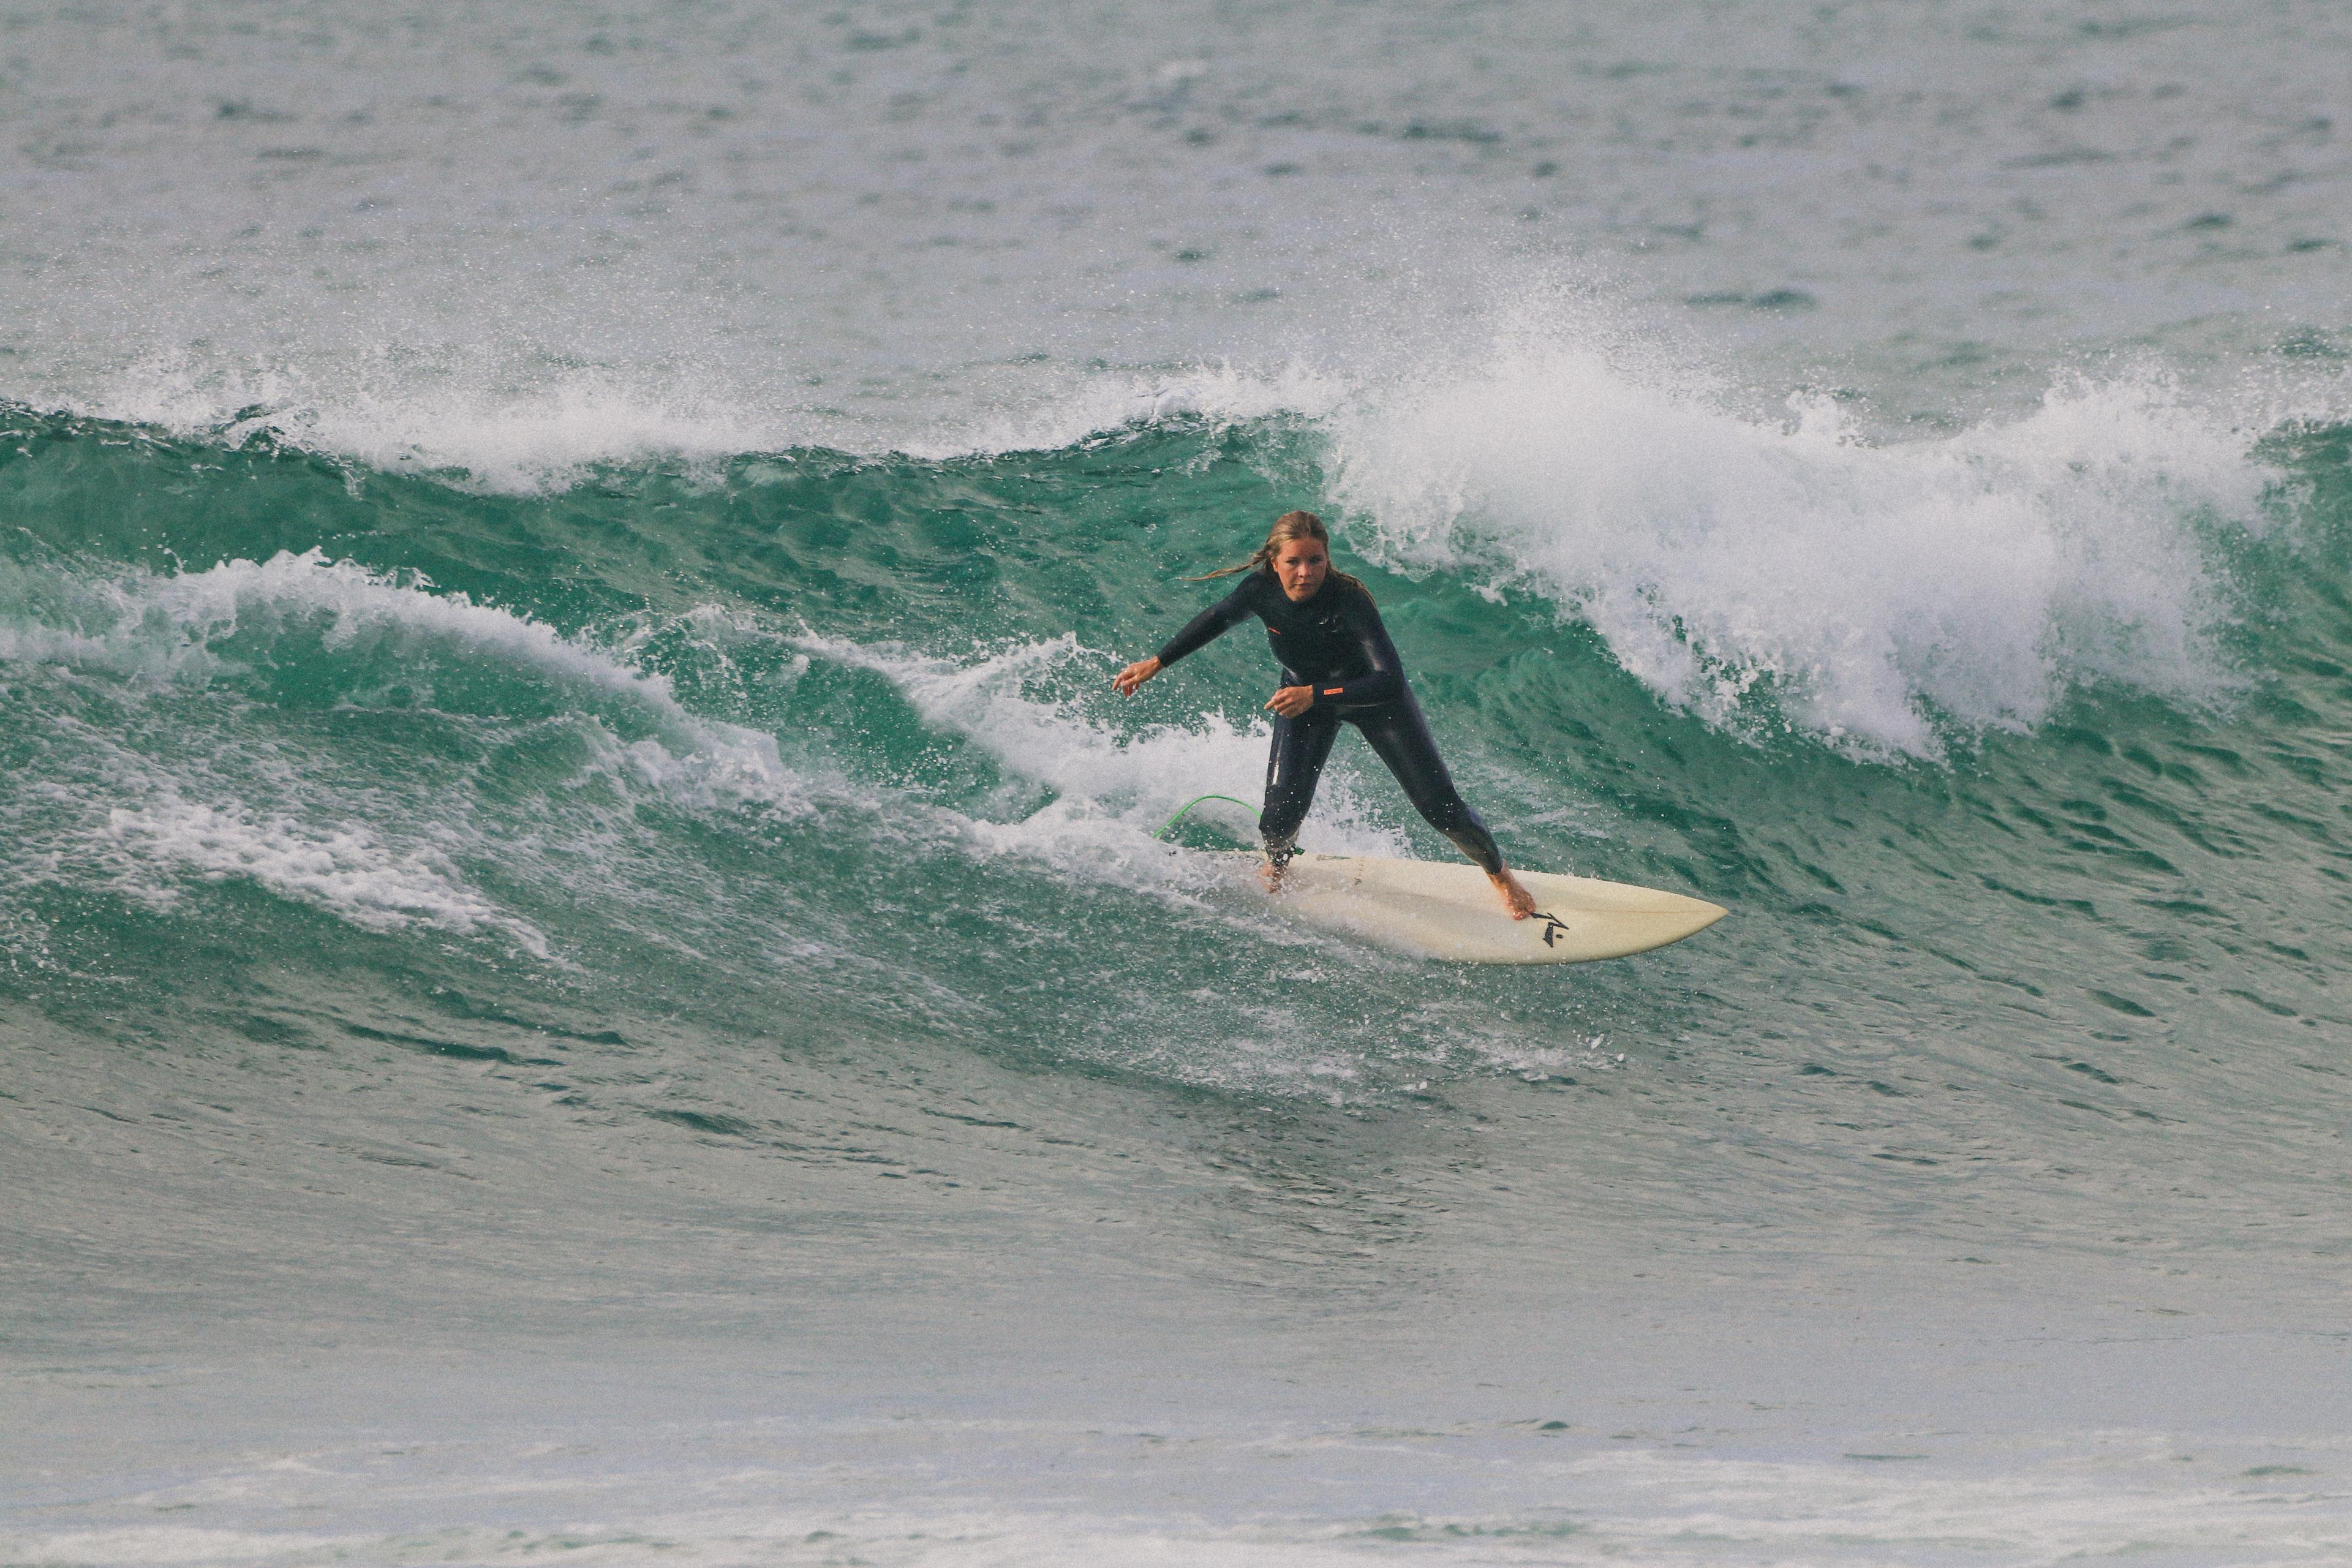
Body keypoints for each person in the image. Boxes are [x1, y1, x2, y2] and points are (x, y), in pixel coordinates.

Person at [1115, 510, 1537, 919]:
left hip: (1373, 701)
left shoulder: (1348, 600)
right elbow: (1216, 619)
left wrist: (1316, 693)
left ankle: (1500, 876)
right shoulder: (1259, 591)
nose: (1306, 573)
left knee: (1441, 809)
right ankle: (1278, 863)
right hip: (1305, 700)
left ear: (1327, 559)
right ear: (1273, 563)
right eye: (1293, 562)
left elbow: (1389, 679)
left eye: (1315, 560)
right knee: (1277, 821)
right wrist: (1157, 662)